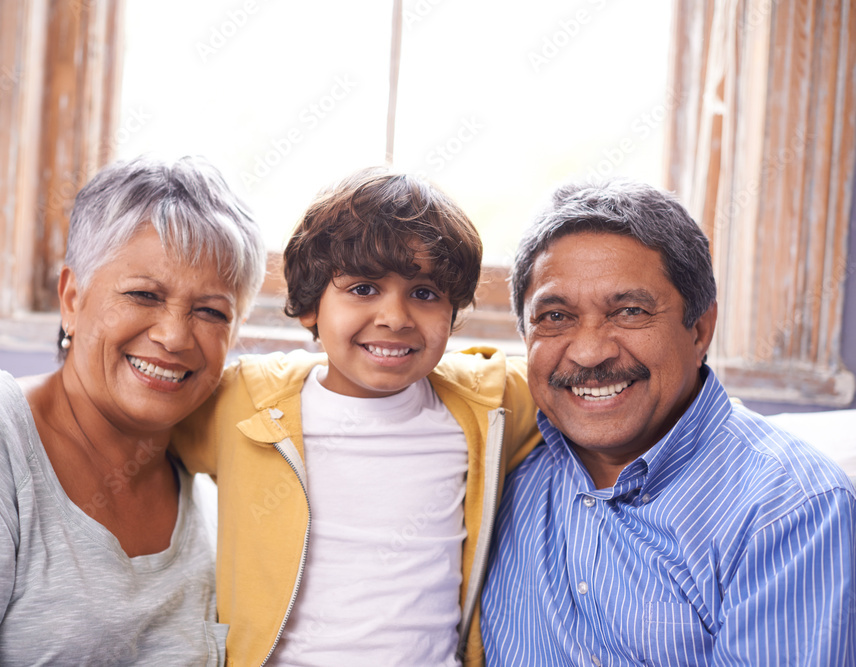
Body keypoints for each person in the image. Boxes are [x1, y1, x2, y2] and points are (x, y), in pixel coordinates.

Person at [0, 156, 265, 664]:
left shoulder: (211, 492)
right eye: (143, 295)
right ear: (72, 298)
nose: (175, 336)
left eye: (210, 311)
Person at [172, 167, 542, 666]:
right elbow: (136, 430)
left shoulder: (490, 404)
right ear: (309, 306)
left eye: (425, 293)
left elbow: (571, 378)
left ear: (453, 315)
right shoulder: (242, 402)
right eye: (364, 288)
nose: (395, 317)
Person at [481, 179, 856, 666]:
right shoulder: (500, 464)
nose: (591, 351)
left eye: (630, 311)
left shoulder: (791, 511)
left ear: (700, 330)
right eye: (555, 316)